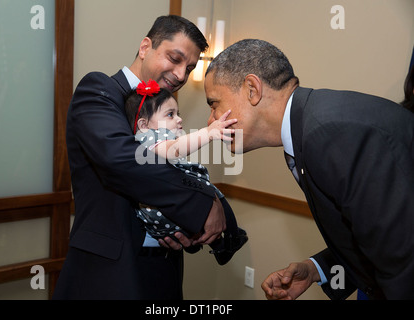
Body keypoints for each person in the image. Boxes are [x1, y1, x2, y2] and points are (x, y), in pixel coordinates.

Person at [204, 39, 414, 300]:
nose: (211, 120)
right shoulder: (309, 130)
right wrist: (316, 269)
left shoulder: (328, 134)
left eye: (213, 104)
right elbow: (369, 236)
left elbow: (400, 263)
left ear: (252, 89)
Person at [53, 15, 227, 300]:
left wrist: (203, 216)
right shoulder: (99, 91)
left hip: (163, 270)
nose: (182, 75)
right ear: (146, 47)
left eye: (190, 68)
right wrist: (202, 203)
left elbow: (182, 171)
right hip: (107, 272)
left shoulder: (168, 108)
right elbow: (122, 161)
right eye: (175, 58)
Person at [124, 79, 248, 265]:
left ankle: (220, 245)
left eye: (178, 113)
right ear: (143, 124)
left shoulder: (151, 137)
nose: (179, 119)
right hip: (165, 211)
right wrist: (208, 133)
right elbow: (173, 149)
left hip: (165, 215)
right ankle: (232, 237)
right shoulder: (147, 138)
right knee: (215, 195)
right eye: (170, 114)